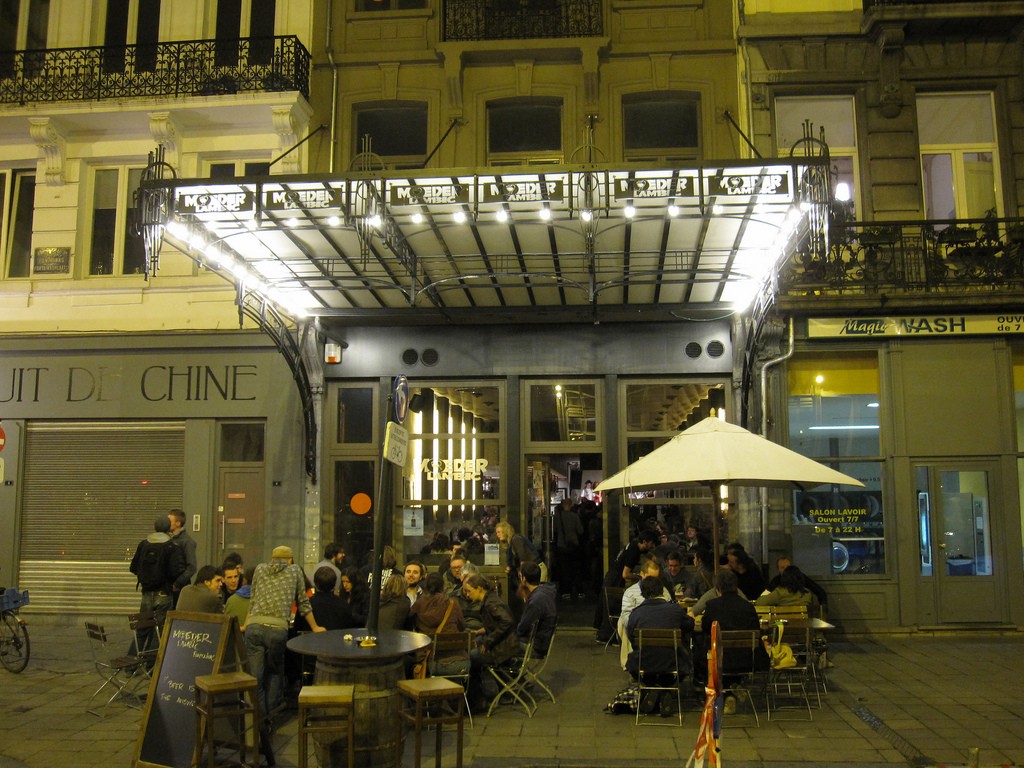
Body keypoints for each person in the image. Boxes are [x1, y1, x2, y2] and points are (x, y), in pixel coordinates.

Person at [245, 545, 326, 719]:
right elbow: (303, 604)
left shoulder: (259, 569)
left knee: (255, 678)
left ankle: (257, 722)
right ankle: (269, 718)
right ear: (290, 560)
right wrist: (315, 627)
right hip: (277, 629)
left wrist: (245, 624)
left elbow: (253, 600)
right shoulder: (295, 570)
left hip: (254, 627)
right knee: (275, 672)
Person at [625, 576, 695, 716]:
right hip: (673, 663)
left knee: (636, 660)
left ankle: (653, 688)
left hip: (643, 664)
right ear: (662, 590)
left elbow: (632, 638)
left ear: (642, 593)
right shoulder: (675, 610)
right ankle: (666, 690)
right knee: (682, 659)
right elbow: (689, 625)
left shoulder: (636, 613)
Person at [695, 570, 767, 690]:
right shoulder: (748, 606)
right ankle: (733, 688)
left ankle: (726, 690)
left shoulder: (713, 606)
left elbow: (705, 627)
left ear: (717, 588)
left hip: (720, 658)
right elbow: (756, 629)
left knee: (700, 650)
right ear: (736, 587)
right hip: (748, 659)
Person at [129, 515, 187, 647]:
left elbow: (133, 567)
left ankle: (133, 660)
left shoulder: (143, 544)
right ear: (168, 528)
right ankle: (153, 663)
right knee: (160, 630)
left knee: (142, 629)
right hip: (164, 592)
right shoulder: (172, 546)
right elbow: (176, 570)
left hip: (146, 593)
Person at [617, 556, 672, 670]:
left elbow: (669, 610)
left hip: (659, 625)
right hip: (638, 624)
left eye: (656, 578)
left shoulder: (664, 591)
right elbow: (626, 615)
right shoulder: (631, 592)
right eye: (650, 577)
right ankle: (628, 662)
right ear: (642, 574)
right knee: (623, 623)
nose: (653, 581)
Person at [517, 561, 557, 656]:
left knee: (499, 644)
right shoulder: (545, 592)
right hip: (541, 641)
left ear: (524, 579)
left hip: (535, 645)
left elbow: (522, 628)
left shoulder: (536, 600)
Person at [553, 498, 585, 600]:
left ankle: (566, 591)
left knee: (564, 569)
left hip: (562, 546)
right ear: (571, 505)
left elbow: (554, 530)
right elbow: (580, 531)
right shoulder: (574, 516)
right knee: (576, 569)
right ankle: (579, 591)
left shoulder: (557, 517)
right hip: (573, 545)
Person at [309, 566, 356, 631]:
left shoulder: (307, 605)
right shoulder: (344, 605)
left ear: (315, 583)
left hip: (311, 640)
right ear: (334, 584)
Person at [167, 508, 197, 606]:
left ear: (178, 523)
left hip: (179, 589)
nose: (167, 523)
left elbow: (191, 567)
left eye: (169, 521)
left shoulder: (186, 542)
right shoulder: (170, 539)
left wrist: (177, 583)